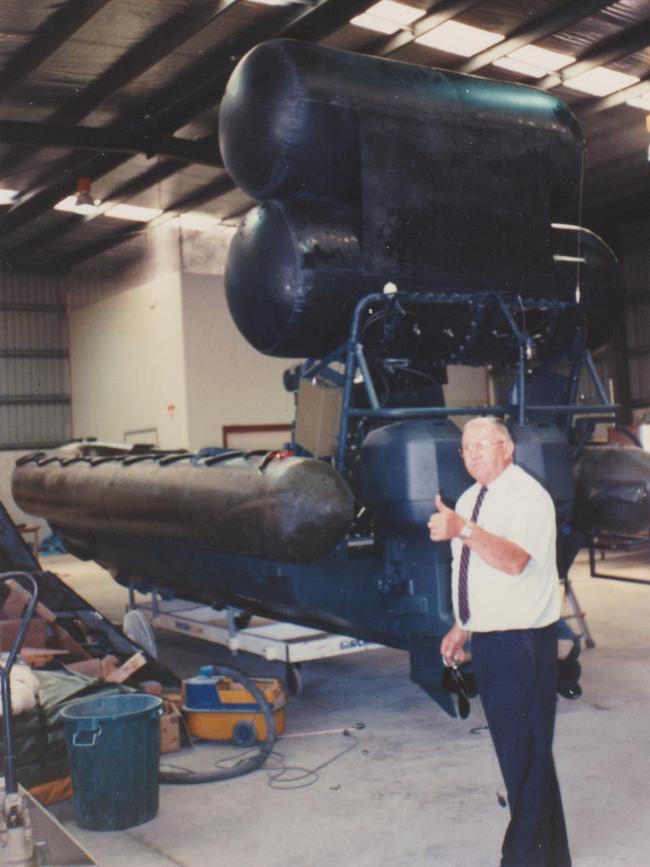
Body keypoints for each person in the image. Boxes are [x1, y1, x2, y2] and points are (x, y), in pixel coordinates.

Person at [427, 415, 571, 867]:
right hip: (491, 638)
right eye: (465, 448)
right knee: (523, 751)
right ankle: (552, 856)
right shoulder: (470, 498)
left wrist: (462, 530)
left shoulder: (527, 496)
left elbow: (512, 562)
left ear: (507, 449)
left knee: (523, 753)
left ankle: (525, 858)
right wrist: (462, 624)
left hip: (522, 641)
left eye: (481, 446)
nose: (471, 455)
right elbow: (471, 573)